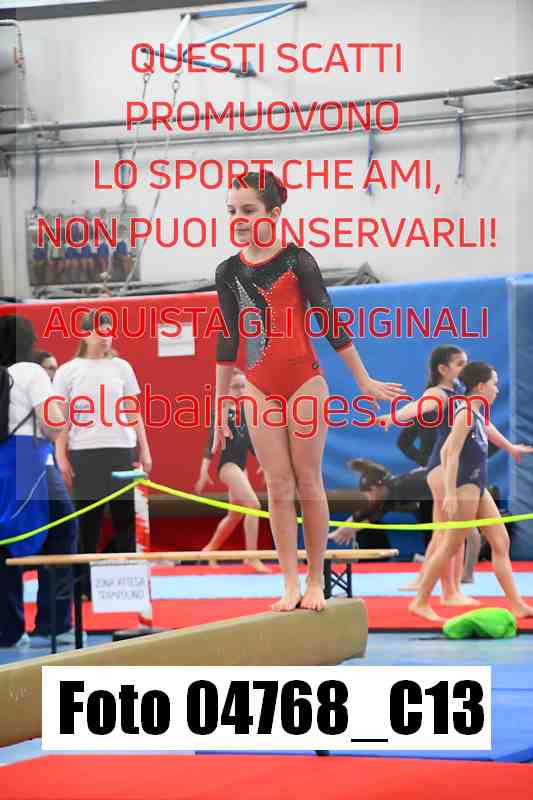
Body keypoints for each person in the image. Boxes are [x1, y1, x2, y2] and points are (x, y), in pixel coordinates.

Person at [212, 170, 403, 612]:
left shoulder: (298, 261)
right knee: (278, 486)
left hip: (304, 383)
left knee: (308, 480)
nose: (238, 219)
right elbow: (227, 339)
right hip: (258, 386)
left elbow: (328, 319)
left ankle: (316, 579)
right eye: (232, 211)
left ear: (274, 212)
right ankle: (289, 583)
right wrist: (221, 404)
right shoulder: (228, 271)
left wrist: (363, 379)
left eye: (248, 210)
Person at [409, 361, 533, 621]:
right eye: (494, 384)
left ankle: (517, 604)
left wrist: (511, 448)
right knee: (450, 546)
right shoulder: (465, 413)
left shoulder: (475, 413)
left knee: (501, 541)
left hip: (477, 484)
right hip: (465, 486)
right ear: (480, 386)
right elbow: (451, 453)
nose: (497, 389)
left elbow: (449, 447)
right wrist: (450, 493)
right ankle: (420, 601)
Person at [53, 310, 152, 597]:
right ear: (85, 334)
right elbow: (62, 418)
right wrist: (61, 454)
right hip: (84, 452)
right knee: (88, 523)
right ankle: (83, 587)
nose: (107, 336)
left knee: (125, 520)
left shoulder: (121, 367)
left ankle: (127, 585)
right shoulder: (68, 371)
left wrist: (145, 449)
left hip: (121, 450)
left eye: (110, 330)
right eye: (101, 330)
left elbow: (133, 411)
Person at [0, 315, 78, 648]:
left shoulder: (5, 373)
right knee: (63, 530)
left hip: (4, 459)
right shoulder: (31, 372)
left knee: (5, 539)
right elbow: (52, 424)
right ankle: (53, 624)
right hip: (29, 458)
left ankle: (7, 629)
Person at [194, 368, 269, 573]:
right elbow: (211, 442)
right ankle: (251, 557)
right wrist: (203, 471)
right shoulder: (222, 412)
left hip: (240, 468)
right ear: (226, 390)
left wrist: (263, 463)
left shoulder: (246, 412)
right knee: (253, 505)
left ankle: (209, 550)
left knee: (235, 515)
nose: (240, 391)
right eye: (235, 387)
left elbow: (249, 443)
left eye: (243, 386)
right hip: (227, 466)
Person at [329, 458, 433, 548]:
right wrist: (345, 530)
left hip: (435, 488)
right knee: (428, 529)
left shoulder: (401, 487)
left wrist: (347, 529)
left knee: (430, 527)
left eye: (369, 494)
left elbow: (370, 513)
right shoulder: (387, 494)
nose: (369, 499)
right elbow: (364, 515)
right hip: (428, 500)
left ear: (376, 488)